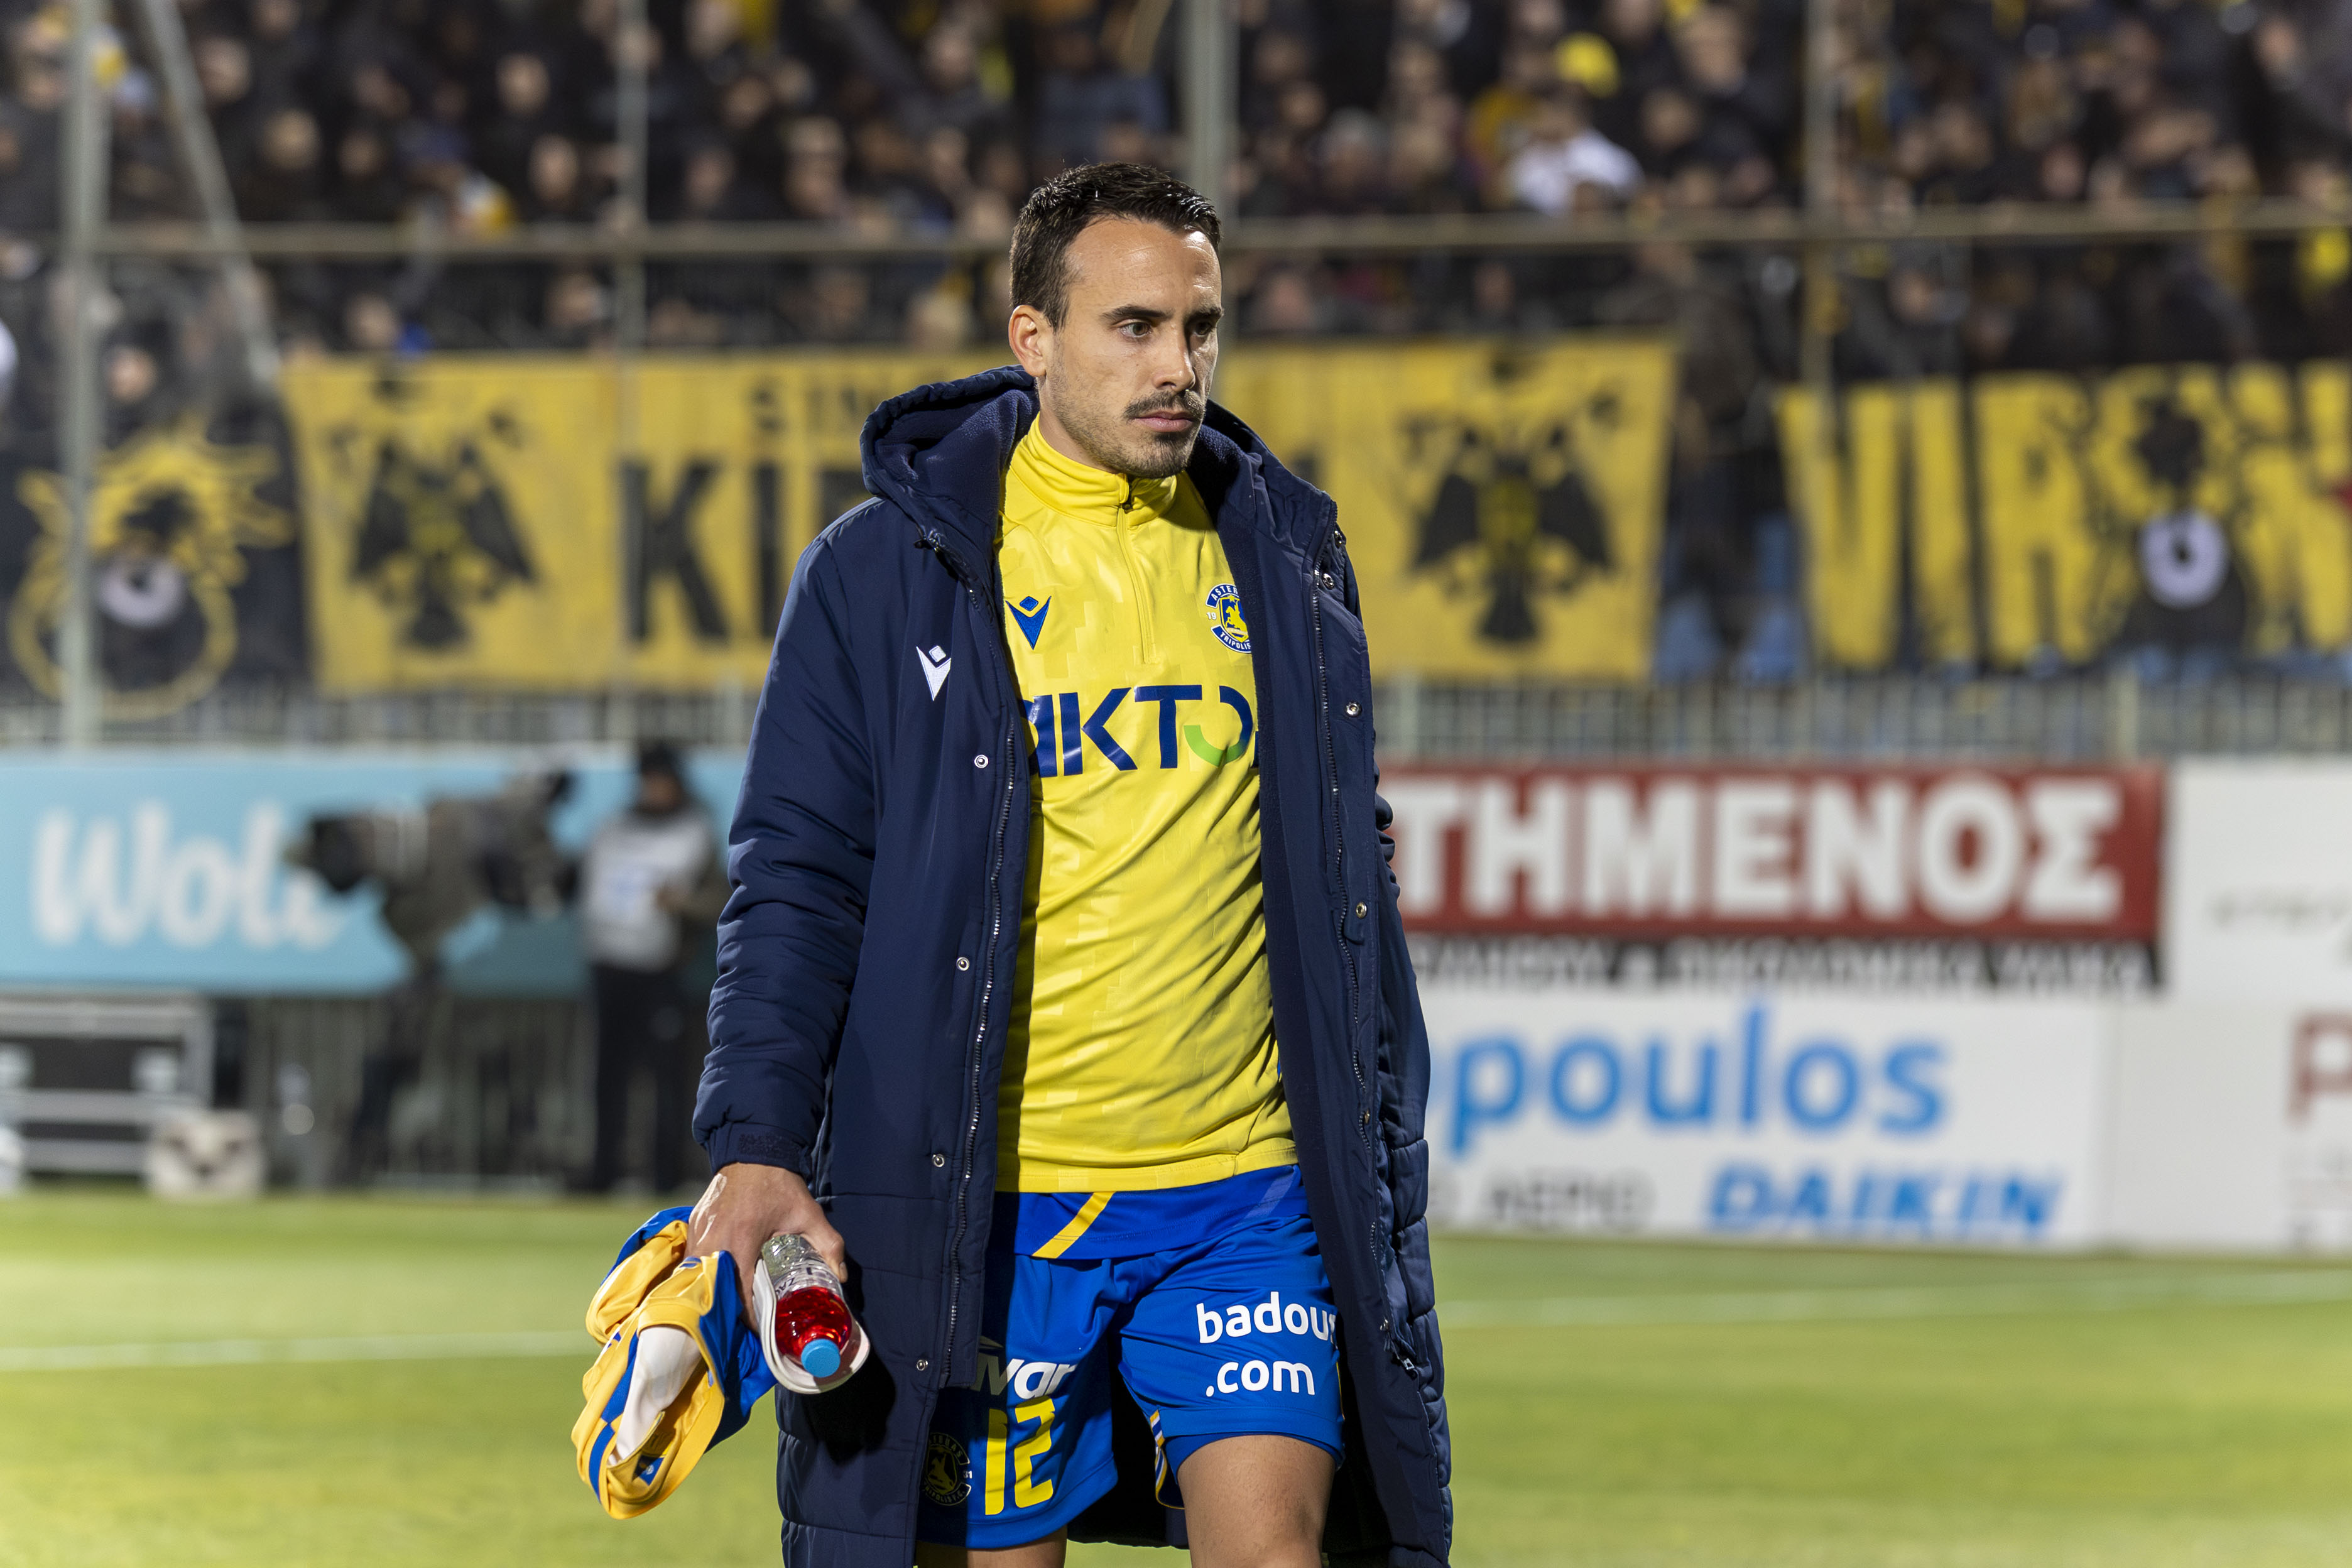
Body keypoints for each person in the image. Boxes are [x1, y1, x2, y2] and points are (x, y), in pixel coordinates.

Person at [687, 163, 1449, 1568]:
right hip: (995, 1208)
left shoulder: (1284, 554)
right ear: (1032, 338)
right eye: (1135, 328)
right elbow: (796, 881)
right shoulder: (886, 572)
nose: (1179, 368)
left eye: (1200, 328)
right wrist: (755, 1146)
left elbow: (1340, 854)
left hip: (1245, 1192)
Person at [580, 741, 726, 1194]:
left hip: (661, 970)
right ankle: (603, 1171)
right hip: (610, 965)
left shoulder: (695, 831)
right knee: (608, 1076)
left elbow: (720, 901)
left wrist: (683, 904)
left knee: (668, 1077)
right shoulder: (614, 828)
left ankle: (666, 1173)